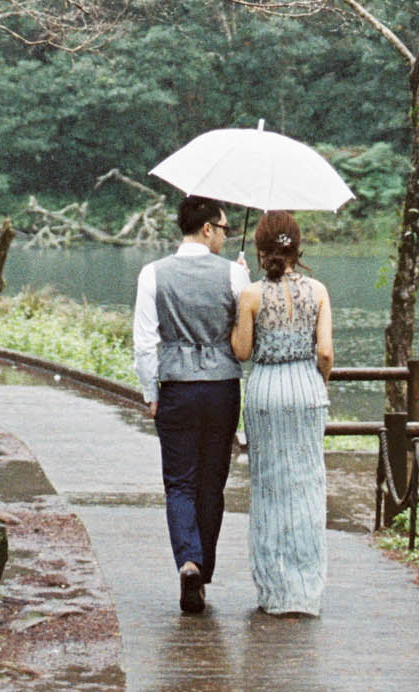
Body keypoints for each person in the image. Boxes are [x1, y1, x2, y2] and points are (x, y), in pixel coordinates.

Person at [133, 193, 249, 613]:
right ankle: (204, 566)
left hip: (177, 388)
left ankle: (188, 561)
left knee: (179, 482)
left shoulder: (153, 273)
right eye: (222, 228)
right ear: (205, 228)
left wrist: (152, 393)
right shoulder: (233, 277)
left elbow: (144, 343)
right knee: (212, 482)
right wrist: (243, 284)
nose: (224, 236)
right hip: (221, 389)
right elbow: (242, 341)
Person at [230, 208, 333, 617]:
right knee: (307, 486)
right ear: (297, 245)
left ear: (259, 249)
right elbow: (325, 351)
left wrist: (239, 290)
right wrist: (318, 382)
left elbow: (241, 351)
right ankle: (305, 591)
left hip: (267, 390)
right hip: (306, 388)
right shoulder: (319, 290)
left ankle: (274, 591)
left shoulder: (252, 294)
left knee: (270, 487)